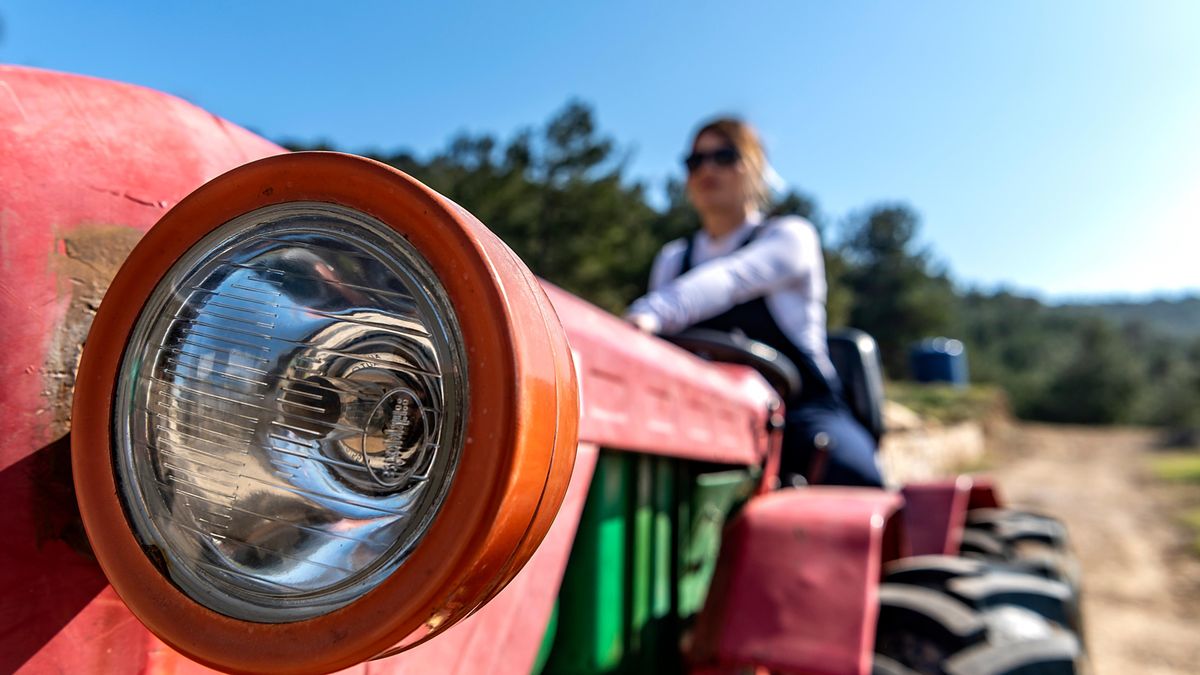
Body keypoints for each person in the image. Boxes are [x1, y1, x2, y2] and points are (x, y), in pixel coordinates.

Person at [625, 117, 883, 488]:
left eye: (724, 156)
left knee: (853, 479)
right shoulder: (672, 259)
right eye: (695, 161)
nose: (707, 169)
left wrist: (646, 315)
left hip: (801, 417)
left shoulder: (790, 236)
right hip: (701, 419)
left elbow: (729, 279)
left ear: (754, 166)